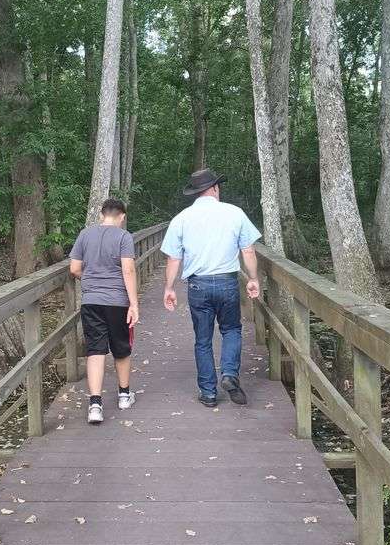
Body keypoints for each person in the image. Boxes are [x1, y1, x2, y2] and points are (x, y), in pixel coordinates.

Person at [161, 168, 261, 407]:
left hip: (198, 285)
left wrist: (169, 287)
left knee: (203, 340)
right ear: (215, 188)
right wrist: (253, 278)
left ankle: (208, 392)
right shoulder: (234, 213)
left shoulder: (182, 218)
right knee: (231, 330)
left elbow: (173, 258)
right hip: (227, 282)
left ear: (196, 192)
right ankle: (229, 374)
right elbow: (247, 250)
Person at [69, 198, 139, 425]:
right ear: (122, 216)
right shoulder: (124, 237)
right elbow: (128, 270)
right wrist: (134, 304)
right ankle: (124, 396)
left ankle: (95, 405)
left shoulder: (84, 234)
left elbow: (74, 269)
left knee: (95, 350)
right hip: (118, 301)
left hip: (91, 301)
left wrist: (90, 280)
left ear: (101, 215)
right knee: (121, 348)